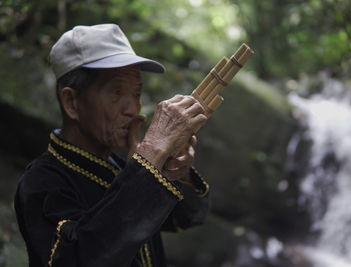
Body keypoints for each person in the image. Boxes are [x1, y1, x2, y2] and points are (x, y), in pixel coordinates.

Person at [14, 24, 210, 267]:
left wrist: (177, 172)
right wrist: (150, 156)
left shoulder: (123, 164)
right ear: (72, 102)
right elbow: (79, 258)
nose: (132, 109)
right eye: (116, 92)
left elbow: (187, 218)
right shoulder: (42, 181)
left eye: (136, 94)